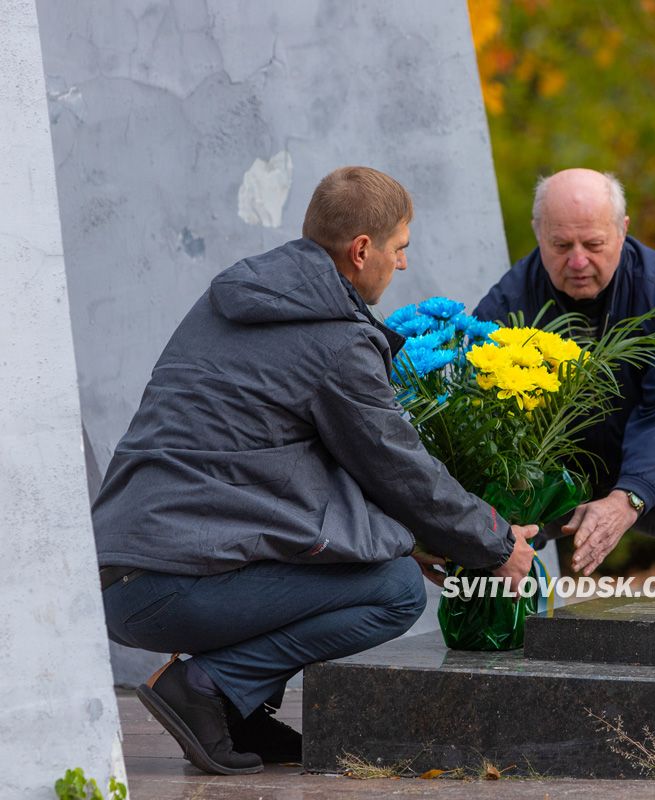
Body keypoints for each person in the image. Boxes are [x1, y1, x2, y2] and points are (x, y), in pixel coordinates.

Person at [92, 166, 537, 776]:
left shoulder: (237, 302)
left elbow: (273, 472)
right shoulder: (335, 342)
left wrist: (407, 539)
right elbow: (400, 468)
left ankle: (237, 710)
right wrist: (493, 542)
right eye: (399, 248)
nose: (402, 265)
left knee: (383, 565)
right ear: (361, 251)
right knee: (394, 592)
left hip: (125, 573)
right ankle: (204, 688)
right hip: (171, 582)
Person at [473, 168, 655, 584]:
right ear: (537, 232)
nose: (578, 262)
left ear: (622, 230)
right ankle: (490, 634)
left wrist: (627, 497)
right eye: (561, 245)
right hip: (545, 455)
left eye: (594, 244)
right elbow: (489, 421)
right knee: (483, 516)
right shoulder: (504, 306)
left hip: (653, 442)